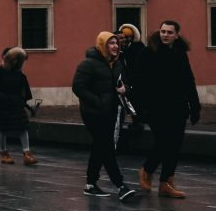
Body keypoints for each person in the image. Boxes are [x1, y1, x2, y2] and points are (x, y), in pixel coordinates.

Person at [137, 19, 200, 199]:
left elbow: (189, 80)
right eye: (163, 31)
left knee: (175, 145)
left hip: (177, 107)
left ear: (176, 35)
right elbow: (139, 81)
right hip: (156, 107)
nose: (165, 35)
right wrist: (142, 108)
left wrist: (195, 106)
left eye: (169, 32)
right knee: (164, 142)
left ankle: (166, 182)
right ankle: (147, 170)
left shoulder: (180, 53)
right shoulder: (148, 52)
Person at [72, 32, 137, 201]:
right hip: (93, 113)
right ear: (102, 45)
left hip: (112, 111)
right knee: (106, 146)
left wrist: (125, 88)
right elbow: (78, 87)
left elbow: (126, 82)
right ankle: (120, 185)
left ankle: (90, 184)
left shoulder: (117, 64)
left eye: (116, 43)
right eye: (111, 43)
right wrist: (98, 102)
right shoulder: (88, 64)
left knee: (100, 146)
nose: (115, 46)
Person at [0, 46, 37, 165]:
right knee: (2, 128)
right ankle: (4, 153)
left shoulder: (18, 73)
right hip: (3, 104)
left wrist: (22, 100)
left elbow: (24, 89)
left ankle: (27, 153)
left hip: (16, 104)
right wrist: (2, 97)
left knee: (23, 127)